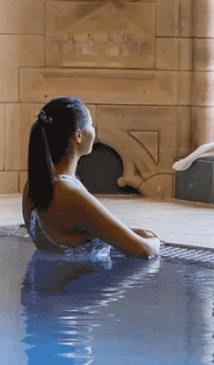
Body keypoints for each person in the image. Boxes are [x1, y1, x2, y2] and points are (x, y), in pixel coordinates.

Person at [22, 96, 161, 260]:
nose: (94, 131)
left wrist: (129, 234)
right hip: (86, 282)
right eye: (91, 125)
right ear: (78, 135)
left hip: (49, 280)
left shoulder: (35, 183)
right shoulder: (69, 194)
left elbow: (72, 231)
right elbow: (142, 250)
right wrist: (155, 241)